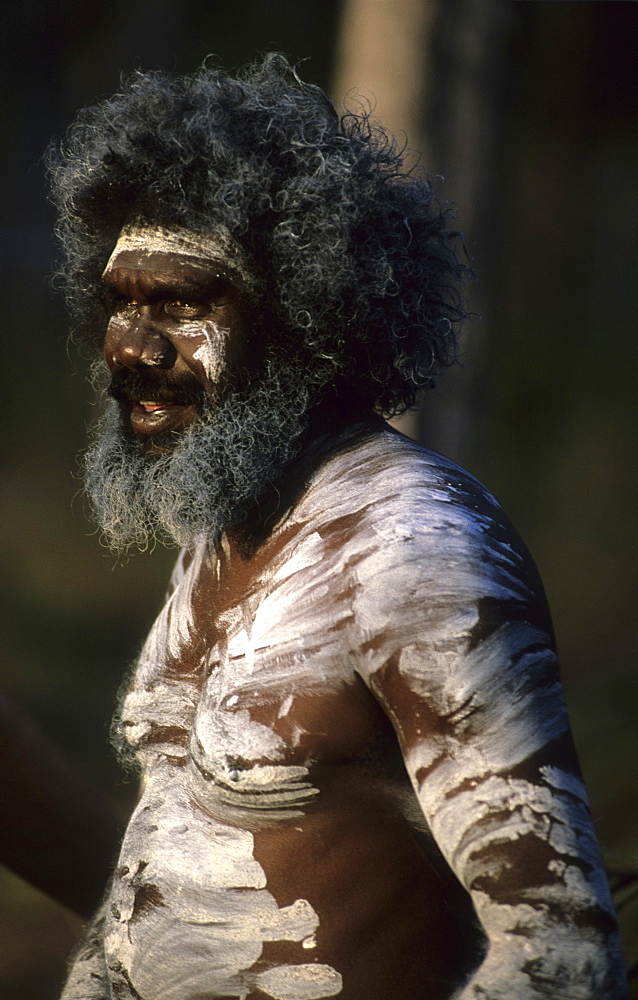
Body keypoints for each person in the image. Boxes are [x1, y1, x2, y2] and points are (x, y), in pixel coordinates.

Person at [48, 54, 627, 1000]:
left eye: (182, 303)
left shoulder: (413, 546)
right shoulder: (223, 528)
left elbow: (560, 955)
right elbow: (159, 871)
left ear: (307, 314)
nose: (130, 346)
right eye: (120, 301)